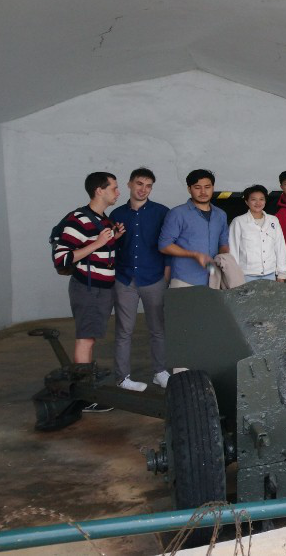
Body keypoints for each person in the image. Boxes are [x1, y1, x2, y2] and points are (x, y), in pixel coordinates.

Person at [52, 171, 125, 412]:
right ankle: (84, 396)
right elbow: (62, 260)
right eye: (113, 188)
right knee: (85, 338)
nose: (118, 192)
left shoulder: (103, 220)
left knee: (90, 337)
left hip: (102, 289)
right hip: (88, 288)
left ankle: (86, 390)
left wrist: (114, 238)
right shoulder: (77, 220)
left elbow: (101, 252)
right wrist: (99, 243)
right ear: (99, 190)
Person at [109, 167, 171, 392]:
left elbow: (169, 244)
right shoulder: (116, 215)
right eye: (139, 184)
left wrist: (167, 271)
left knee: (158, 329)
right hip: (125, 279)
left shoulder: (162, 213)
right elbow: (111, 246)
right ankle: (122, 377)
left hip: (154, 277)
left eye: (148, 185)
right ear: (129, 185)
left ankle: (160, 372)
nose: (143, 189)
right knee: (124, 330)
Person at [158, 169, 230, 288]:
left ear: (213, 187)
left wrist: (224, 260)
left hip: (214, 280)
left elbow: (223, 244)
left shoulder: (220, 215)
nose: (203, 191)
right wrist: (194, 255)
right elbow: (164, 245)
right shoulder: (177, 213)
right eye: (197, 187)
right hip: (185, 279)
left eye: (207, 187)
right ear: (189, 189)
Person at [228, 185, 286, 282]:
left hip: (270, 274)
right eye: (253, 199)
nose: (258, 203)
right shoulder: (238, 222)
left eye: (261, 199)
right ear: (247, 202)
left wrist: (282, 273)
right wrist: (234, 276)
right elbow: (233, 251)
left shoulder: (273, 220)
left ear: (265, 201)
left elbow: (280, 247)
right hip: (247, 276)